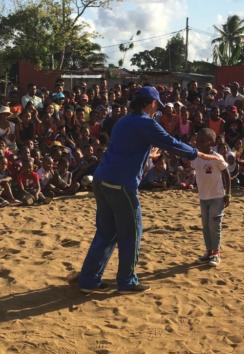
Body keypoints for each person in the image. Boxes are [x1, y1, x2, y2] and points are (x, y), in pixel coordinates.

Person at [78, 86, 220, 294]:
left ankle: (89, 279)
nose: (157, 109)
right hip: (121, 184)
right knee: (132, 232)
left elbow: (127, 149)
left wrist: (149, 156)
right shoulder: (146, 123)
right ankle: (127, 281)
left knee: (106, 231)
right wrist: (197, 153)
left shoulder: (123, 120)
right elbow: (171, 143)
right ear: (151, 103)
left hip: (102, 179)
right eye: (156, 105)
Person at [191, 128, 230, 267]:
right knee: (206, 225)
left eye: (202, 141)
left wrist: (228, 193)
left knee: (215, 224)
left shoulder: (217, 157)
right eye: (197, 141)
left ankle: (216, 252)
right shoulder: (196, 157)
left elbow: (226, 174)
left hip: (217, 196)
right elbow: (192, 169)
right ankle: (208, 251)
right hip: (203, 197)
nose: (198, 143)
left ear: (211, 142)